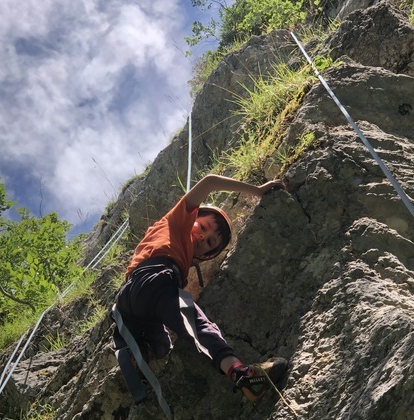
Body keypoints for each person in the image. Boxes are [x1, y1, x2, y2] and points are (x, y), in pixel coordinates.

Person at [114, 173, 288, 405]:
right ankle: (242, 374)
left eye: (209, 242)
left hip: (129, 302)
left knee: (160, 346)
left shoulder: (179, 257)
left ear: (205, 254)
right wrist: (257, 190)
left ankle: (140, 363)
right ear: (193, 216)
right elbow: (210, 182)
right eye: (203, 226)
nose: (203, 237)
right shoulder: (177, 222)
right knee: (199, 325)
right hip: (154, 280)